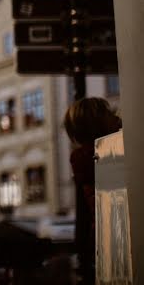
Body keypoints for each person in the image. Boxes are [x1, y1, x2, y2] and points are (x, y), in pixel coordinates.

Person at [63, 96, 122, 283]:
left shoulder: (82, 157)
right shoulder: (103, 154)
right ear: (95, 123)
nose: (116, 115)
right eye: (108, 113)